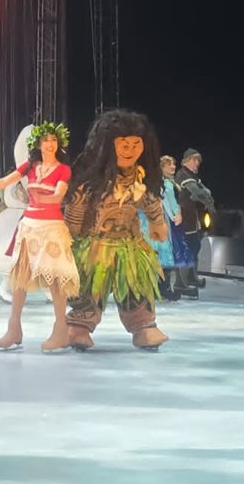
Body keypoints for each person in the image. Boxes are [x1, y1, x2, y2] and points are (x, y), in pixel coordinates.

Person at [0, 122, 78, 352]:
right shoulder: (30, 166)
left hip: (51, 228)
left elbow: (59, 195)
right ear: (38, 144)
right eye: (45, 140)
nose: (50, 144)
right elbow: (5, 182)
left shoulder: (63, 169)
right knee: (20, 278)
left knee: (55, 279)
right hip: (29, 227)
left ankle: (61, 330)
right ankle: (14, 328)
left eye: (54, 140)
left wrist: (45, 199)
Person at [63, 109, 169, 352]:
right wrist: (70, 234)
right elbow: (76, 207)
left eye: (135, 144)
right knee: (89, 290)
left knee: (136, 286)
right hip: (94, 244)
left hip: (129, 245)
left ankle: (143, 327)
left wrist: (157, 224)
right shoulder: (91, 182)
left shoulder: (140, 179)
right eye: (124, 144)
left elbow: (151, 201)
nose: (130, 150)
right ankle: (79, 326)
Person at [148, 155, 193, 300]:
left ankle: (161, 287)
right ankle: (161, 287)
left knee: (164, 255)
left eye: (174, 164)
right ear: (161, 168)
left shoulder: (165, 183)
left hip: (163, 221)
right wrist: (177, 213)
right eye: (169, 165)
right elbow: (172, 203)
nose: (173, 167)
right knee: (164, 254)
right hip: (161, 222)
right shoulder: (164, 184)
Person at [175, 148, 214, 291]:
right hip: (183, 217)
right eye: (195, 160)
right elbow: (199, 192)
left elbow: (206, 191)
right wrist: (207, 200)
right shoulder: (183, 174)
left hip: (191, 217)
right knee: (187, 248)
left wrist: (205, 195)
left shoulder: (192, 175)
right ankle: (180, 282)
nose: (198, 163)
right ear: (188, 160)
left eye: (198, 160)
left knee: (194, 246)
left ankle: (191, 276)